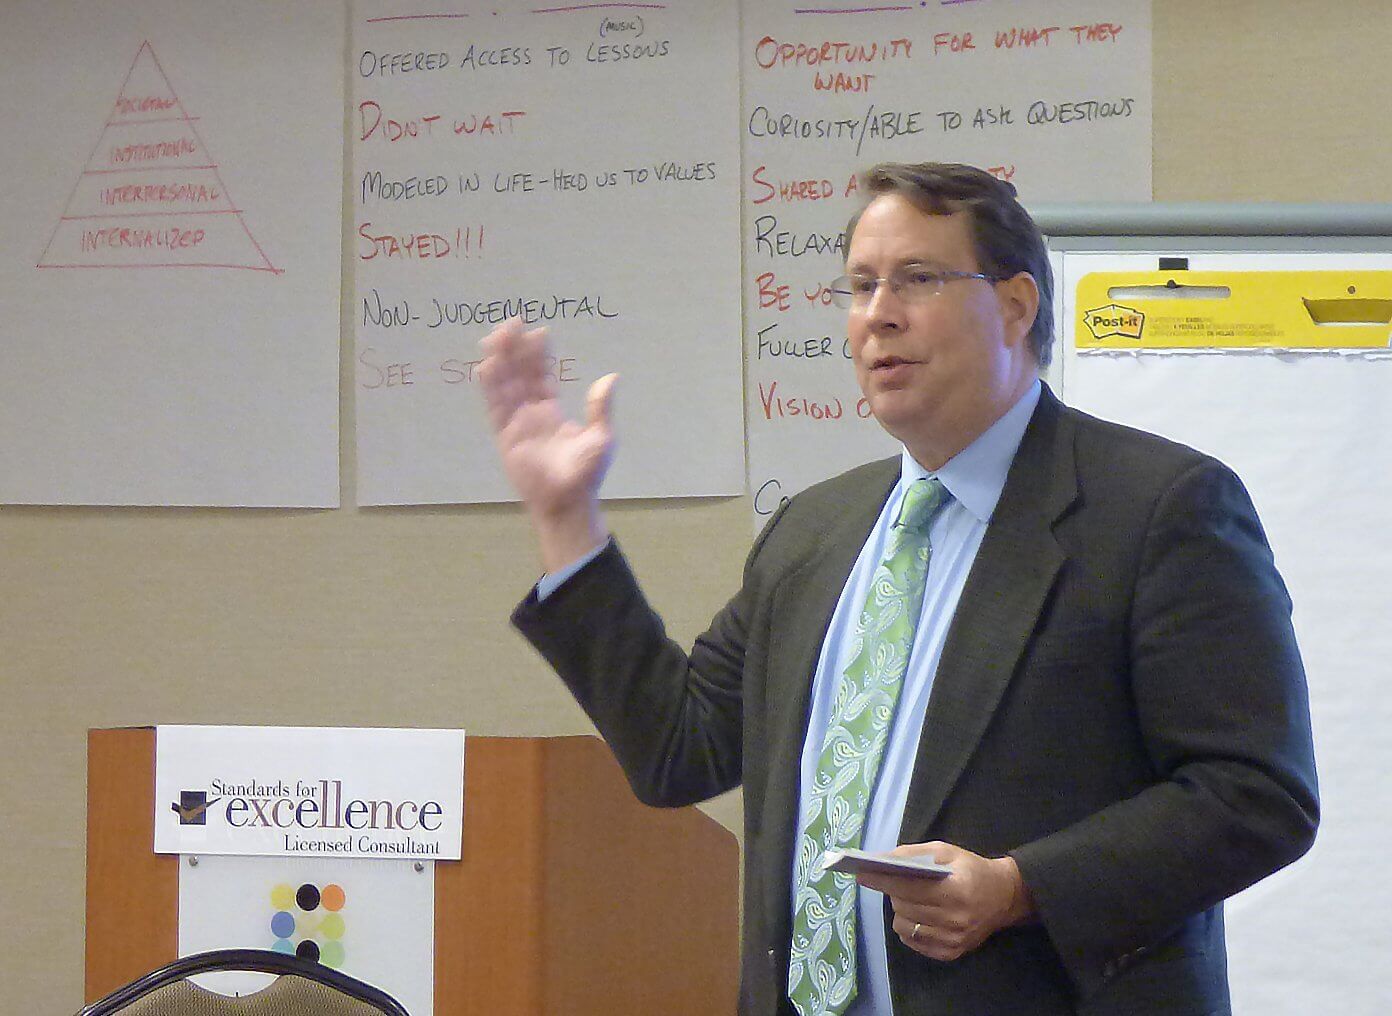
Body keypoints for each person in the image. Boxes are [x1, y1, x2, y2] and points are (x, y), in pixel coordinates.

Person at [477, 162, 1318, 1016]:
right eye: (860, 285)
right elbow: (679, 750)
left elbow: (1255, 795)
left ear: (1016, 306)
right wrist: (566, 518)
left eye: (917, 278)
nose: (878, 313)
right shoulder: (815, 531)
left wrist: (1019, 886)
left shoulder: (1156, 510)